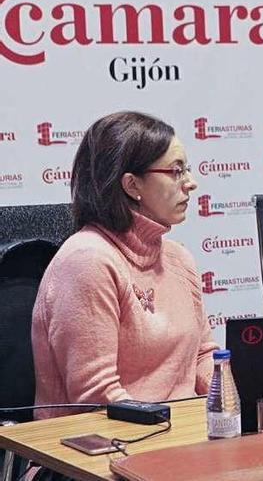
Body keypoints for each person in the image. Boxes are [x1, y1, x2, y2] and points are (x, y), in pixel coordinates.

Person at [31, 111, 218, 419]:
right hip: (98, 452)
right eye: (176, 171)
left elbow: (204, 355)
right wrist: (182, 432)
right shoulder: (87, 260)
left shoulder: (179, 258)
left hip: (183, 439)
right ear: (132, 185)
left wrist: (236, 401)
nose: (191, 183)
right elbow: (97, 398)